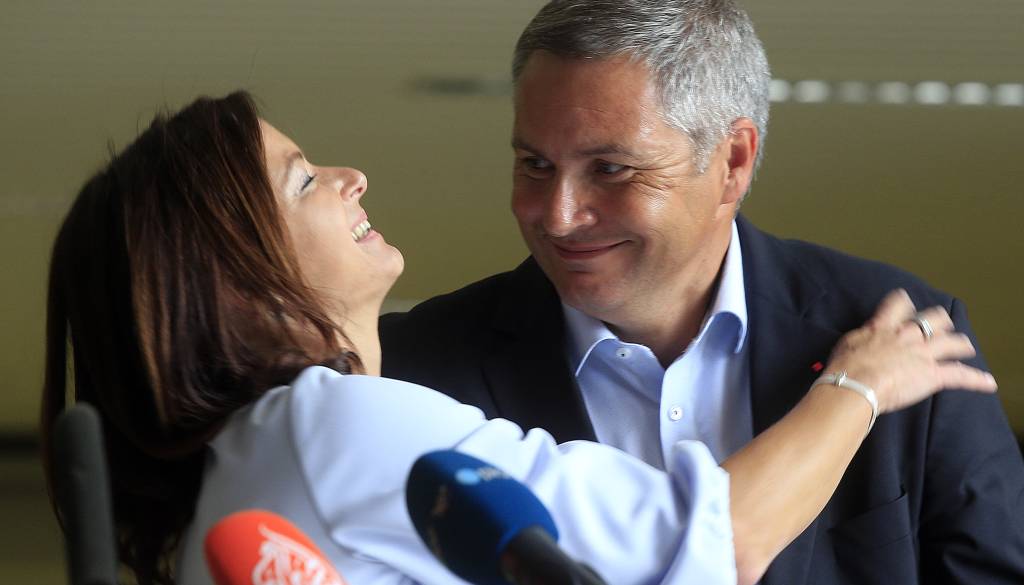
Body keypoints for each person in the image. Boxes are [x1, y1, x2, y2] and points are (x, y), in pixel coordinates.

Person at [39, 91, 995, 585]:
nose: (348, 177)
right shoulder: (320, 425)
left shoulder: (242, 465)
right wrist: (859, 385)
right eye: (301, 180)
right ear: (233, 278)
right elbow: (711, 543)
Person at [379, 1, 1024, 584]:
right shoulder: (416, 365)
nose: (558, 215)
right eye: (536, 165)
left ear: (732, 161)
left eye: (611, 169)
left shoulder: (899, 331)